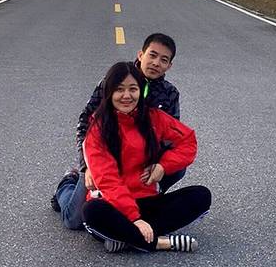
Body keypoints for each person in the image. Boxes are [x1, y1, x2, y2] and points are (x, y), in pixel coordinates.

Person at [51, 32, 183, 230]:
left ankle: (146, 201)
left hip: (141, 164)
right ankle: (68, 183)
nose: (156, 63)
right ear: (141, 54)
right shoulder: (115, 80)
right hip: (105, 161)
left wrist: (160, 165)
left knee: (178, 168)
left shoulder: (169, 93)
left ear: (169, 66)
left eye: (164, 60)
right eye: (152, 55)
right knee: (75, 220)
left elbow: (172, 139)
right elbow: (85, 122)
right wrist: (86, 167)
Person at [81, 61, 211, 254]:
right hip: (114, 203)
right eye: (119, 89)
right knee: (91, 212)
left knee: (201, 195)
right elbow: (107, 180)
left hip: (147, 198)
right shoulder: (98, 129)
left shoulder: (154, 117)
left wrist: (163, 166)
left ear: (140, 91)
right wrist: (134, 218)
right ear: (109, 92)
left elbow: (188, 140)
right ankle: (160, 242)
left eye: (133, 89)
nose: (126, 96)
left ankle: (127, 238)